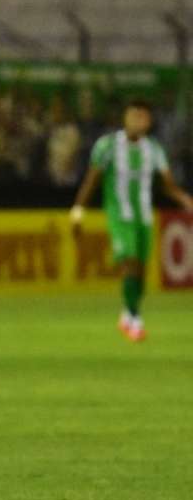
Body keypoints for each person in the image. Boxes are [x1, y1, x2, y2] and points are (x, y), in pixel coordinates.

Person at [70, 99, 193, 341]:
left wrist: (184, 199)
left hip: (144, 216)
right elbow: (92, 179)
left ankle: (128, 314)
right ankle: (135, 319)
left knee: (141, 269)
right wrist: (78, 210)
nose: (137, 121)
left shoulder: (154, 149)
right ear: (125, 118)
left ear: (148, 122)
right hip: (119, 214)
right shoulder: (107, 146)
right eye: (133, 115)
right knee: (129, 260)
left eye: (142, 117)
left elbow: (166, 184)